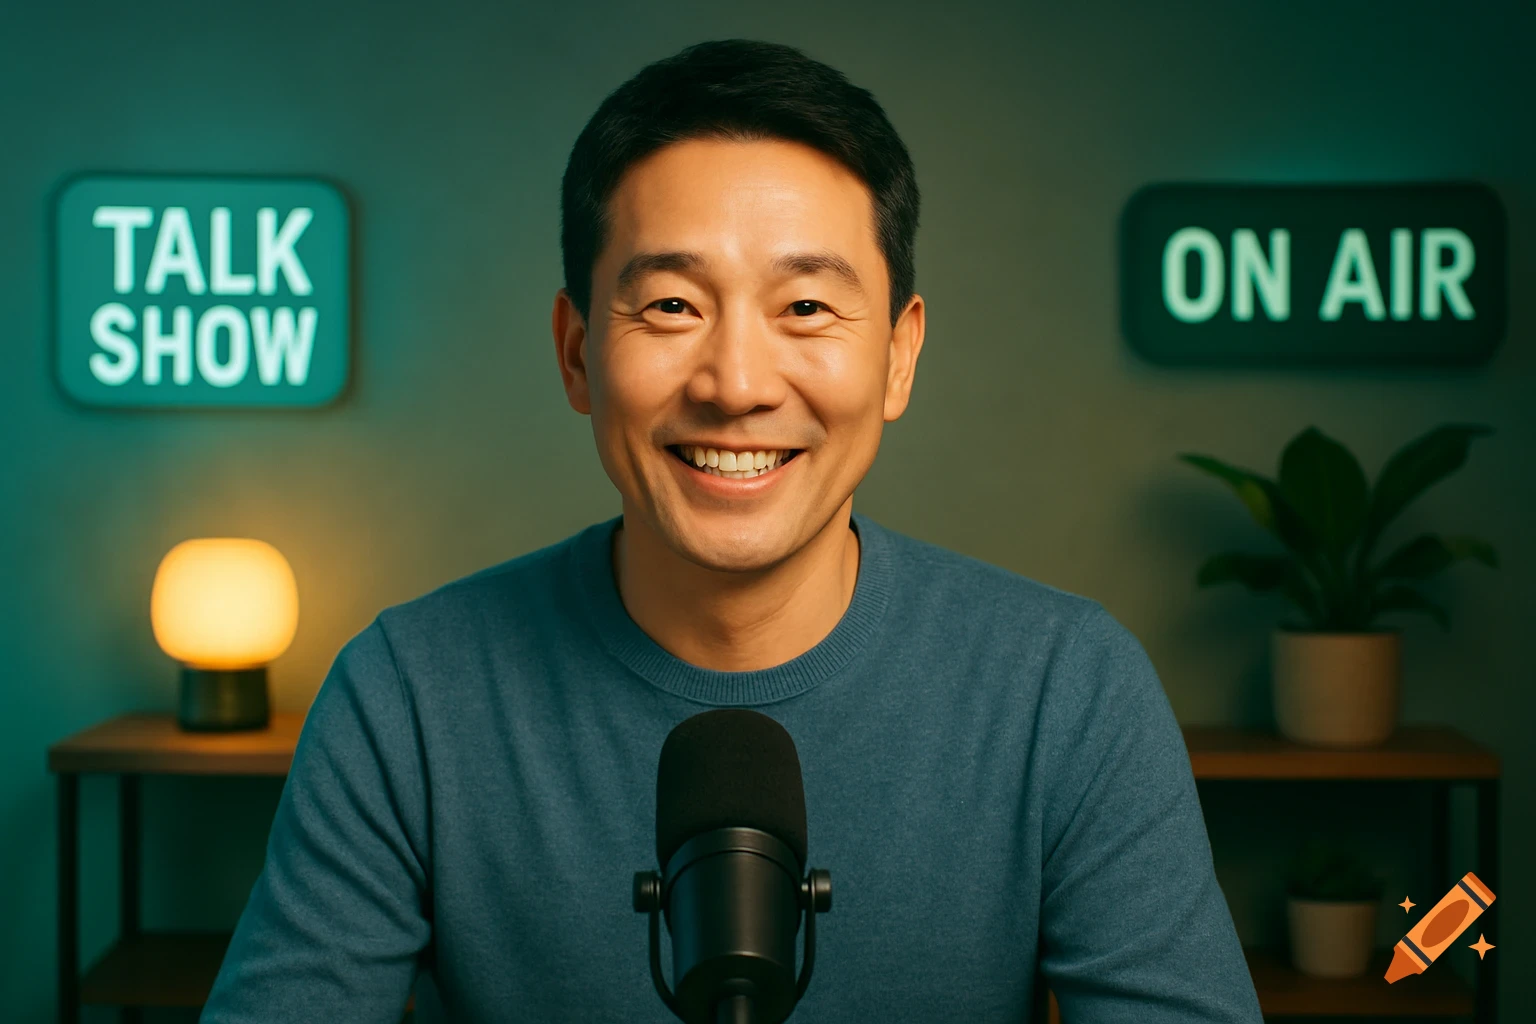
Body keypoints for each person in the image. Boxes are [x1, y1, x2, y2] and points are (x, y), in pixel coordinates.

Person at [201, 37, 1263, 1023]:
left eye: (806, 308)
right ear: (576, 352)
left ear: (899, 355)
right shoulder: (409, 698)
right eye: (670, 305)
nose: (738, 385)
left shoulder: (1065, 692)